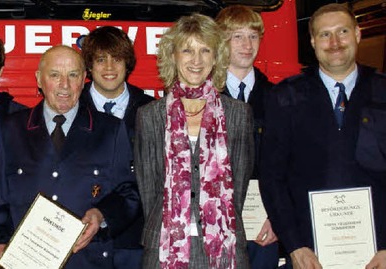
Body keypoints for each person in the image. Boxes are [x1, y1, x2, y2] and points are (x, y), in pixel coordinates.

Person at [0, 45, 141, 268]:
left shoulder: (111, 130)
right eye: (55, 75)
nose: (65, 85)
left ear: (83, 79)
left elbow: (130, 192)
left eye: (73, 75)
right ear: (39, 79)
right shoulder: (9, 129)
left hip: (87, 260)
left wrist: (102, 214)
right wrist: (0, 243)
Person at [260, 3, 386, 269]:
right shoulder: (285, 97)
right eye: (325, 34)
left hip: (379, 254)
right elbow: (273, 178)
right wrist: (294, 245)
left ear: (358, 34)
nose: (335, 42)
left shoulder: (383, 91)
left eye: (342, 31)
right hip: (310, 255)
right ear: (313, 41)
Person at [135, 14, 253, 268]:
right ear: (173, 55)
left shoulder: (239, 114)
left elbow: (239, 188)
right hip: (164, 246)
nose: (196, 60)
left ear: (216, 56)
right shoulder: (149, 116)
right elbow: (148, 188)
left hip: (224, 246)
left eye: (205, 50)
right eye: (187, 50)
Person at [79, 25, 152, 269]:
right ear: (89, 65)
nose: (109, 68)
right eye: (101, 59)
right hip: (82, 239)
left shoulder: (153, 111)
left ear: (128, 63)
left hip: (137, 241)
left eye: (117, 59)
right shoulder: (70, 108)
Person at [215, 5, 279, 269]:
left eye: (253, 36)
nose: (247, 44)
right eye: (237, 36)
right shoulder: (202, 98)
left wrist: (279, 217)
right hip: (214, 226)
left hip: (264, 226)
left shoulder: (279, 98)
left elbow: (290, 164)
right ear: (221, 41)